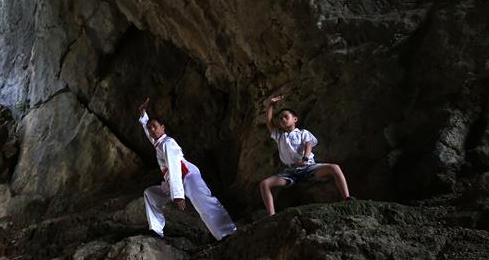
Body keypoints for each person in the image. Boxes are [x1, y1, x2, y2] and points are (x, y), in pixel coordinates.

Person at [138, 98, 237, 240]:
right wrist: (143, 115)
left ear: (163, 128)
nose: (152, 130)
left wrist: (178, 195)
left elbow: (174, 167)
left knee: (205, 205)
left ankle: (228, 233)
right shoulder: (158, 144)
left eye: (154, 126)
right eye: (150, 128)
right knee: (150, 194)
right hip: (173, 181)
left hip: (187, 177)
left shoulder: (167, 143)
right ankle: (156, 230)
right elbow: (150, 135)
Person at [259, 95, 353, 215]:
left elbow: (308, 144)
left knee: (334, 167)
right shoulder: (280, 136)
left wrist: (305, 159)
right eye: (280, 118)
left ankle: (347, 198)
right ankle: (272, 215)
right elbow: (269, 121)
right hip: (291, 172)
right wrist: (270, 105)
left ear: (295, 119)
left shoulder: (303, 133)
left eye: (286, 117)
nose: (282, 119)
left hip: (308, 167)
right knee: (265, 184)